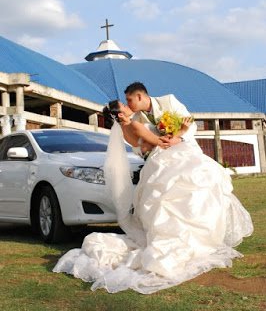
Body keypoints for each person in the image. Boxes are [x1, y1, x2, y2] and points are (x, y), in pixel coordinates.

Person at [53, 84, 253, 294]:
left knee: (197, 185)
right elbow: (137, 145)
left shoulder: (169, 101)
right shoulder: (135, 121)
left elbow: (189, 123)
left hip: (184, 151)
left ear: (139, 96)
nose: (128, 104)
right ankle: (168, 238)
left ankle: (203, 236)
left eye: (129, 100)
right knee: (161, 197)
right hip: (159, 159)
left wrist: (178, 137)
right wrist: (138, 135)